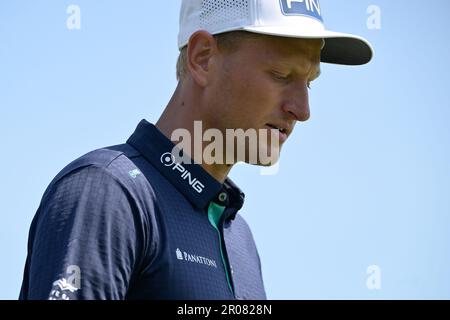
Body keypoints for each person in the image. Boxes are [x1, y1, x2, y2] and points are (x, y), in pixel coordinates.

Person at [19, 0, 373, 300]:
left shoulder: (240, 238)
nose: (303, 109)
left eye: (309, 83)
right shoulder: (107, 192)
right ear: (203, 58)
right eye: (281, 74)